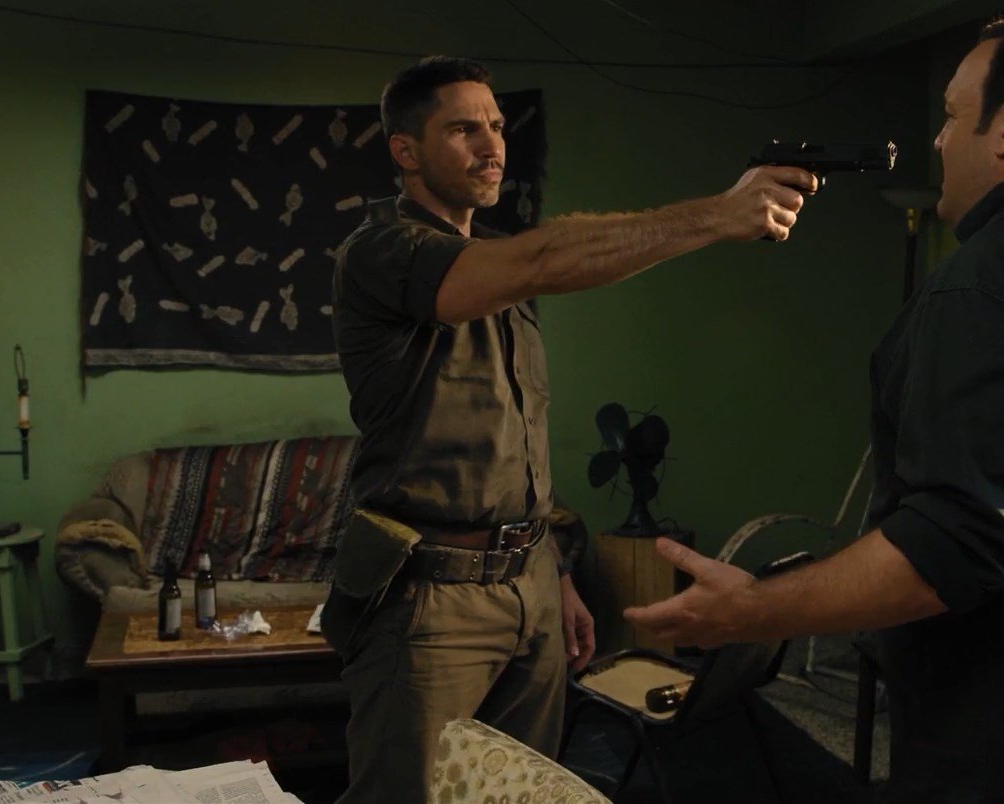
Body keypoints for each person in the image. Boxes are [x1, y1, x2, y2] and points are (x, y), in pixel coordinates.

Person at [625, 15, 1004, 802]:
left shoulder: (1001, 272)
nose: (939, 140)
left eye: (954, 115)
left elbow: (956, 547)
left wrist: (750, 611)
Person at [323, 55, 818, 802]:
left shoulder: (508, 269)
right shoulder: (382, 250)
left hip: (529, 583)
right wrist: (720, 213)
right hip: (432, 598)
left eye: (496, 126)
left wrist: (552, 572)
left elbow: (510, 446)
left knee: (527, 791)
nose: (491, 145)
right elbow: (547, 257)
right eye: (462, 130)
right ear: (406, 151)